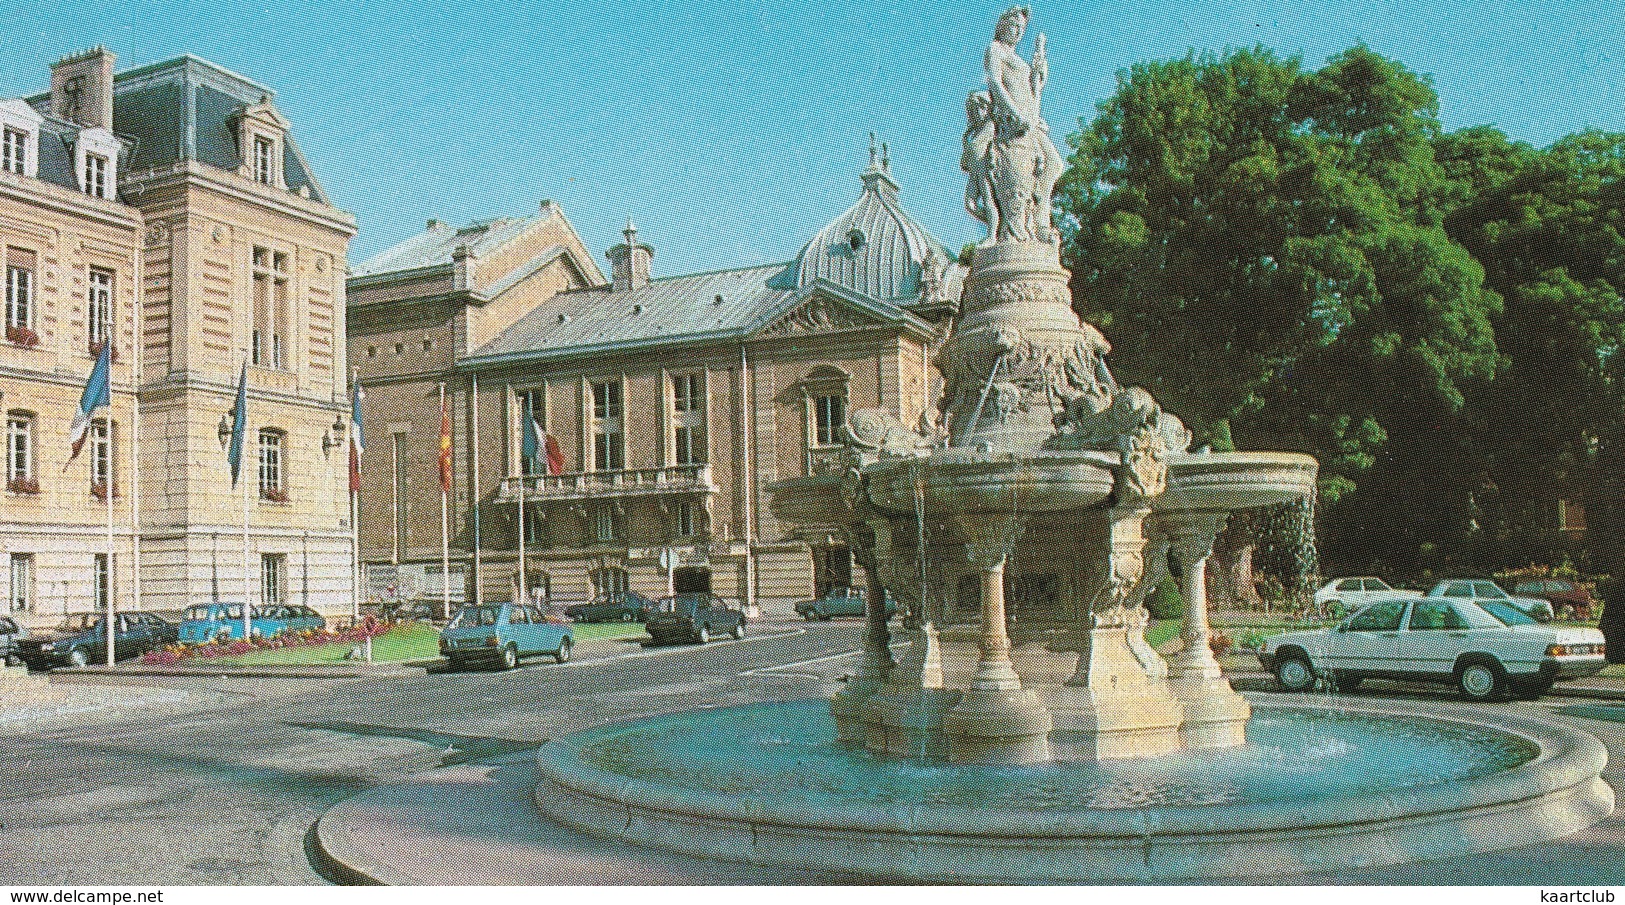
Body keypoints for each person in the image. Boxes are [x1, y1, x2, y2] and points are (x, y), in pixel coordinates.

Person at [983, 6, 1064, 243]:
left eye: (1021, 28)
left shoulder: (1020, 59)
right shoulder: (995, 50)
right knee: (1019, 178)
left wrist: (1039, 77)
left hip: (1030, 121)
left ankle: (1039, 217)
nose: (1017, 32)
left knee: (1054, 164)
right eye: (1013, 26)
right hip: (1014, 123)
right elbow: (995, 83)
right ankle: (1028, 226)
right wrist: (1013, 111)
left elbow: (1032, 90)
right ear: (1002, 25)